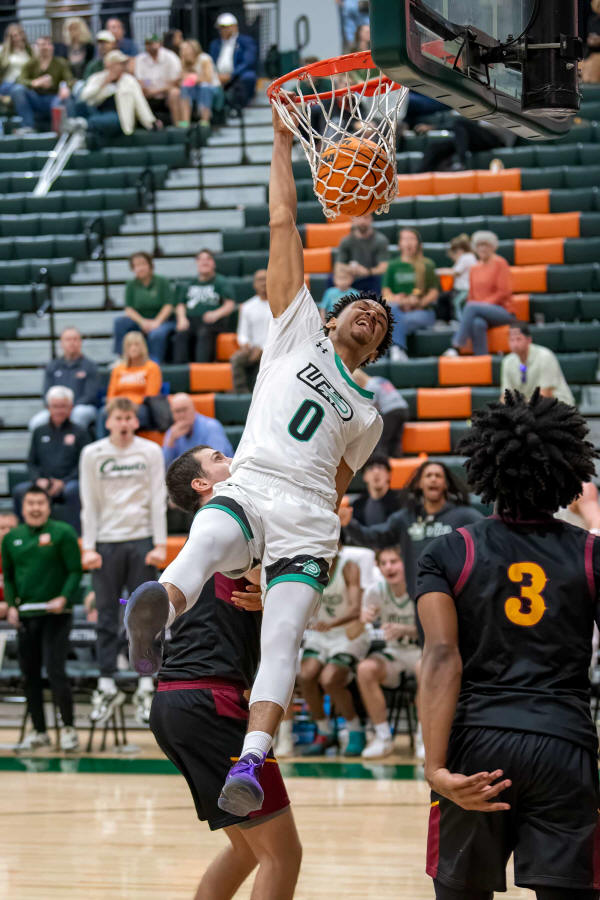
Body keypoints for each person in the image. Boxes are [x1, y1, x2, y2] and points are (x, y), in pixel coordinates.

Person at [124, 105, 394, 819]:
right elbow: (284, 222)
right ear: (329, 318)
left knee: (281, 637)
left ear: (376, 348)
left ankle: (252, 758)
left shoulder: (369, 416)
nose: (371, 312)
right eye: (360, 307)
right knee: (209, 533)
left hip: (307, 518)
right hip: (254, 482)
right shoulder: (295, 328)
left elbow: (338, 492)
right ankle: (158, 606)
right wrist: (280, 141)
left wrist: (269, 573)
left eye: (380, 320)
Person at [417, 389, 600, 900]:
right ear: (567, 470)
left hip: (477, 743)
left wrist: (436, 769)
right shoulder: (591, 554)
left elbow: (442, 657)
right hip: (564, 745)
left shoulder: (448, 552)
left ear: (486, 466)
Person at [150, 445, 302, 899]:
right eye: (218, 457)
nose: (231, 457)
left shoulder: (199, 551)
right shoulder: (232, 532)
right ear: (202, 484)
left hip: (174, 702)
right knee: (282, 855)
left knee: (248, 850)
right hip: (211, 700)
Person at [80, 397, 167, 725]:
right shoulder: (93, 453)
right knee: (106, 614)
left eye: (129, 417)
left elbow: (158, 499)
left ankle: (145, 685)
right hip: (106, 544)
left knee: (145, 616)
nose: (124, 423)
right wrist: (89, 547)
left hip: (141, 541)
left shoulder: (150, 451)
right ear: (108, 422)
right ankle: (106, 683)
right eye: (118, 417)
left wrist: (159, 543)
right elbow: (89, 503)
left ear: (135, 421)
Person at [341, 460, 483, 619]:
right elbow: (375, 537)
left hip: (457, 598)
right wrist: (350, 525)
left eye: (438, 476)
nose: (433, 479)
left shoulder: (464, 516)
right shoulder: (405, 518)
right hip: (421, 598)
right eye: (428, 475)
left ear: (446, 484)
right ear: (419, 484)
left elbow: (487, 538)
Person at [2, 485, 82, 752]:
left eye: (40, 503)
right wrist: (11, 605)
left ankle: (69, 729)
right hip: (26, 617)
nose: (35, 508)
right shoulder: (11, 538)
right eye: (30, 503)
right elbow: (9, 577)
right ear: (23, 508)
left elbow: (75, 571)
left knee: (55, 671)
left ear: (48, 507)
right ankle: (39, 731)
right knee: (29, 675)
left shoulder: (63, 532)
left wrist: (63, 598)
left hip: (56, 615)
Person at [300, 544, 368, 757]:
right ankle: (324, 731)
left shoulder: (349, 567)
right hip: (321, 634)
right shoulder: (309, 566)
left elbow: (356, 610)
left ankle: (355, 729)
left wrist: (330, 623)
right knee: (305, 675)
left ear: (339, 545)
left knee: (329, 679)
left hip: (347, 633)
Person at [356, 545, 419, 758]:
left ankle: (424, 738)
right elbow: (357, 631)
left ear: (405, 563)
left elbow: (436, 630)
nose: (389, 567)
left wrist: (406, 629)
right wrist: (363, 620)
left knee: (426, 670)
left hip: (421, 652)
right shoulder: (375, 592)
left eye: (394, 562)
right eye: (383, 563)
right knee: (365, 669)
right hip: (394, 653)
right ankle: (383, 737)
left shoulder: (420, 587)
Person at [13, 387, 88, 533]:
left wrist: (63, 482)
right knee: (20, 490)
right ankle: (22, 535)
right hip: (43, 481)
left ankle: (76, 535)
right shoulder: (39, 431)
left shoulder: (80, 432)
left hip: (69, 482)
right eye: (55, 406)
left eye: (63, 406)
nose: (59, 410)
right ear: (48, 408)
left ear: (71, 408)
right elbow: (32, 462)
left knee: (74, 490)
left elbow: (84, 464)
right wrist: (38, 480)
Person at [447, 231, 514, 357]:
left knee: (471, 307)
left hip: (502, 311)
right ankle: (482, 359)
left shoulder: (500, 263)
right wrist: (478, 307)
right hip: (478, 311)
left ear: (493, 247)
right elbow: (471, 295)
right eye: (479, 245)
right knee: (477, 323)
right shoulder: (474, 268)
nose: (482, 248)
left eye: (486, 245)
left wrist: (481, 306)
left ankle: (456, 345)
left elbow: (504, 292)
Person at [76, 49, 158, 143]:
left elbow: (140, 103)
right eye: (119, 64)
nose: (122, 67)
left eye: (123, 64)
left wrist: (151, 122)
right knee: (79, 105)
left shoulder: (129, 81)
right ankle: (80, 125)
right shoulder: (97, 78)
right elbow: (84, 96)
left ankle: (83, 125)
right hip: (96, 111)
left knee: (105, 120)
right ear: (109, 65)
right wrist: (103, 84)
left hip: (118, 116)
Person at [383, 228, 440, 359]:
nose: (408, 242)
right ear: (399, 244)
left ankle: (395, 350)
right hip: (398, 309)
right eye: (405, 239)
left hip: (422, 311)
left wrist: (419, 303)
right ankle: (398, 350)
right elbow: (386, 294)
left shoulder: (427, 264)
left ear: (418, 243)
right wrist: (400, 300)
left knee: (392, 323)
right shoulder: (392, 265)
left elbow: (434, 292)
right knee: (393, 311)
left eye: (412, 239)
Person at [29, 327, 99, 432]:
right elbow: (46, 394)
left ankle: (73, 442)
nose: (72, 343)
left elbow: (90, 395)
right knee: (36, 422)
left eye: (75, 339)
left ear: (80, 342)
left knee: (79, 414)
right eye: (68, 339)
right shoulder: (52, 366)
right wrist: (58, 408)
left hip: (81, 407)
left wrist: (68, 408)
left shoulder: (90, 366)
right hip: (56, 408)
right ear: (61, 343)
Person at [174, 249, 236, 364]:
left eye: (208, 259)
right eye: (201, 259)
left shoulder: (221, 282)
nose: (205, 262)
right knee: (181, 334)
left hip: (213, 323)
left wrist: (216, 314)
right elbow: (180, 305)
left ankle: (202, 368)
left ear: (214, 263)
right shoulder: (189, 284)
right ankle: (181, 369)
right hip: (191, 321)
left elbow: (230, 304)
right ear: (196, 263)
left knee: (204, 332)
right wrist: (181, 319)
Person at [113, 252, 174, 363]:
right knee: (120, 322)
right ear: (133, 269)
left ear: (150, 265)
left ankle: (154, 362)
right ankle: (122, 357)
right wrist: (142, 322)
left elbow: (168, 306)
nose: (140, 268)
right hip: (140, 321)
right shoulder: (131, 284)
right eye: (136, 265)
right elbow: (129, 309)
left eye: (143, 264)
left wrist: (157, 322)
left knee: (157, 334)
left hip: (162, 321)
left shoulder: (162, 281)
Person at [101, 332, 162, 434]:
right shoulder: (118, 369)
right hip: (118, 406)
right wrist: (115, 405)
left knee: (134, 415)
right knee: (103, 413)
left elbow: (151, 395)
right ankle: (105, 443)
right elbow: (111, 394)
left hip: (141, 406)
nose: (133, 348)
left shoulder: (152, 367)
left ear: (143, 347)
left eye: (136, 344)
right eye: (129, 345)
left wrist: (130, 405)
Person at [501, 323, 575, 405]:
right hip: (529, 407)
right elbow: (505, 395)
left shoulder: (545, 356)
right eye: (511, 340)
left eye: (518, 339)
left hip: (559, 406)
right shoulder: (507, 361)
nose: (515, 344)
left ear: (529, 340)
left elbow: (545, 394)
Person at [12, 36, 73, 133]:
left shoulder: (61, 63)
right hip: (35, 98)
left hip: (54, 97)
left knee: (64, 97)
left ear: (52, 47)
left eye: (48, 44)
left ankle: (61, 130)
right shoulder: (30, 64)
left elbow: (69, 80)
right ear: (36, 47)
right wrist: (35, 83)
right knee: (17, 90)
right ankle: (28, 127)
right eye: (41, 45)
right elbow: (19, 80)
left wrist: (65, 87)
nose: (44, 47)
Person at [163, 393, 233, 467]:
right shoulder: (172, 433)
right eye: (177, 411)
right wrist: (171, 441)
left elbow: (217, 461)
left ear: (194, 409)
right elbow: (165, 466)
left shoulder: (211, 427)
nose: (182, 415)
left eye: (184, 409)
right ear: (172, 414)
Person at [230, 269, 272, 393]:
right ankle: (242, 394)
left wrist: (263, 349)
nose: (263, 283)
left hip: (273, 349)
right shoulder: (247, 306)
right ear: (254, 284)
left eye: (266, 279)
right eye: (260, 280)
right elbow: (242, 333)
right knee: (236, 359)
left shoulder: (280, 304)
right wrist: (246, 345)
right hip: (252, 349)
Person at [352, 369, 409, 457]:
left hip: (390, 411)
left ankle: (380, 461)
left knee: (382, 440)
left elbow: (369, 407)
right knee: (395, 439)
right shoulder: (379, 379)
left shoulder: (369, 387)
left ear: (358, 380)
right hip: (403, 408)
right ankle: (397, 459)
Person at [209, 12, 257, 110]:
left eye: (226, 27)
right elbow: (211, 61)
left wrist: (231, 75)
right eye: (221, 27)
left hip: (236, 74)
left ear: (234, 27)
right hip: (218, 75)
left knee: (249, 76)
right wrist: (215, 75)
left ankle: (240, 106)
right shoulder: (215, 44)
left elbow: (248, 61)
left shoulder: (245, 41)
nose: (223, 30)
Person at [134, 34, 181, 126]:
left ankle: (178, 125)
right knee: (135, 91)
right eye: (148, 43)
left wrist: (156, 91)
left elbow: (175, 82)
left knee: (175, 92)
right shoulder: (140, 59)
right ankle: (143, 125)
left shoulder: (171, 57)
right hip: (148, 94)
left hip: (166, 94)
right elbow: (140, 80)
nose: (151, 46)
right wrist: (147, 88)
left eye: (154, 43)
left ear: (160, 43)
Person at [336, 215, 389, 293]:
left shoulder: (380, 240)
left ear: (371, 219)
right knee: (334, 278)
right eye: (359, 217)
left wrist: (367, 272)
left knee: (379, 279)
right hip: (351, 280)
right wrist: (351, 269)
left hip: (371, 279)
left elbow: (384, 267)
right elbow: (338, 266)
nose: (362, 221)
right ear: (353, 219)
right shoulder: (346, 241)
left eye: (366, 217)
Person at [178, 38, 219, 128]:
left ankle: (205, 120)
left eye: (186, 49)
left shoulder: (204, 58)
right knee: (184, 88)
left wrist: (192, 78)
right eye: (181, 49)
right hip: (195, 88)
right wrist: (190, 79)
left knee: (204, 87)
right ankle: (185, 121)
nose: (183, 51)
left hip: (212, 88)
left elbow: (208, 79)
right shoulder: (183, 61)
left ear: (193, 49)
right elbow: (183, 79)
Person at [351, 454, 402, 526]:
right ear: (364, 476)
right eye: (370, 468)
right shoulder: (357, 505)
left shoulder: (401, 501)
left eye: (380, 467)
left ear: (389, 474)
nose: (376, 472)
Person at [436, 234, 477, 323]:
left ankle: (460, 321)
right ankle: (446, 320)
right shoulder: (466, 257)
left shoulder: (467, 257)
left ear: (459, 251)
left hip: (466, 289)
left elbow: (455, 272)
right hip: (459, 289)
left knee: (456, 302)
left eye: (453, 255)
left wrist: (437, 272)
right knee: (444, 298)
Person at [0, 23, 32, 97]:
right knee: (19, 89)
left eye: (19, 35)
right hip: (9, 83)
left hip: (25, 82)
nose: (17, 38)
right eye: (14, 36)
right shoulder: (3, 51)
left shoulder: (29, 50)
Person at [0, 512, 19, 617]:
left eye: (11, 528)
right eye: (2, 528)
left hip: (20, 608)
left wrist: (11, 605)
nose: (7, 532)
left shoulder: (26, 555)